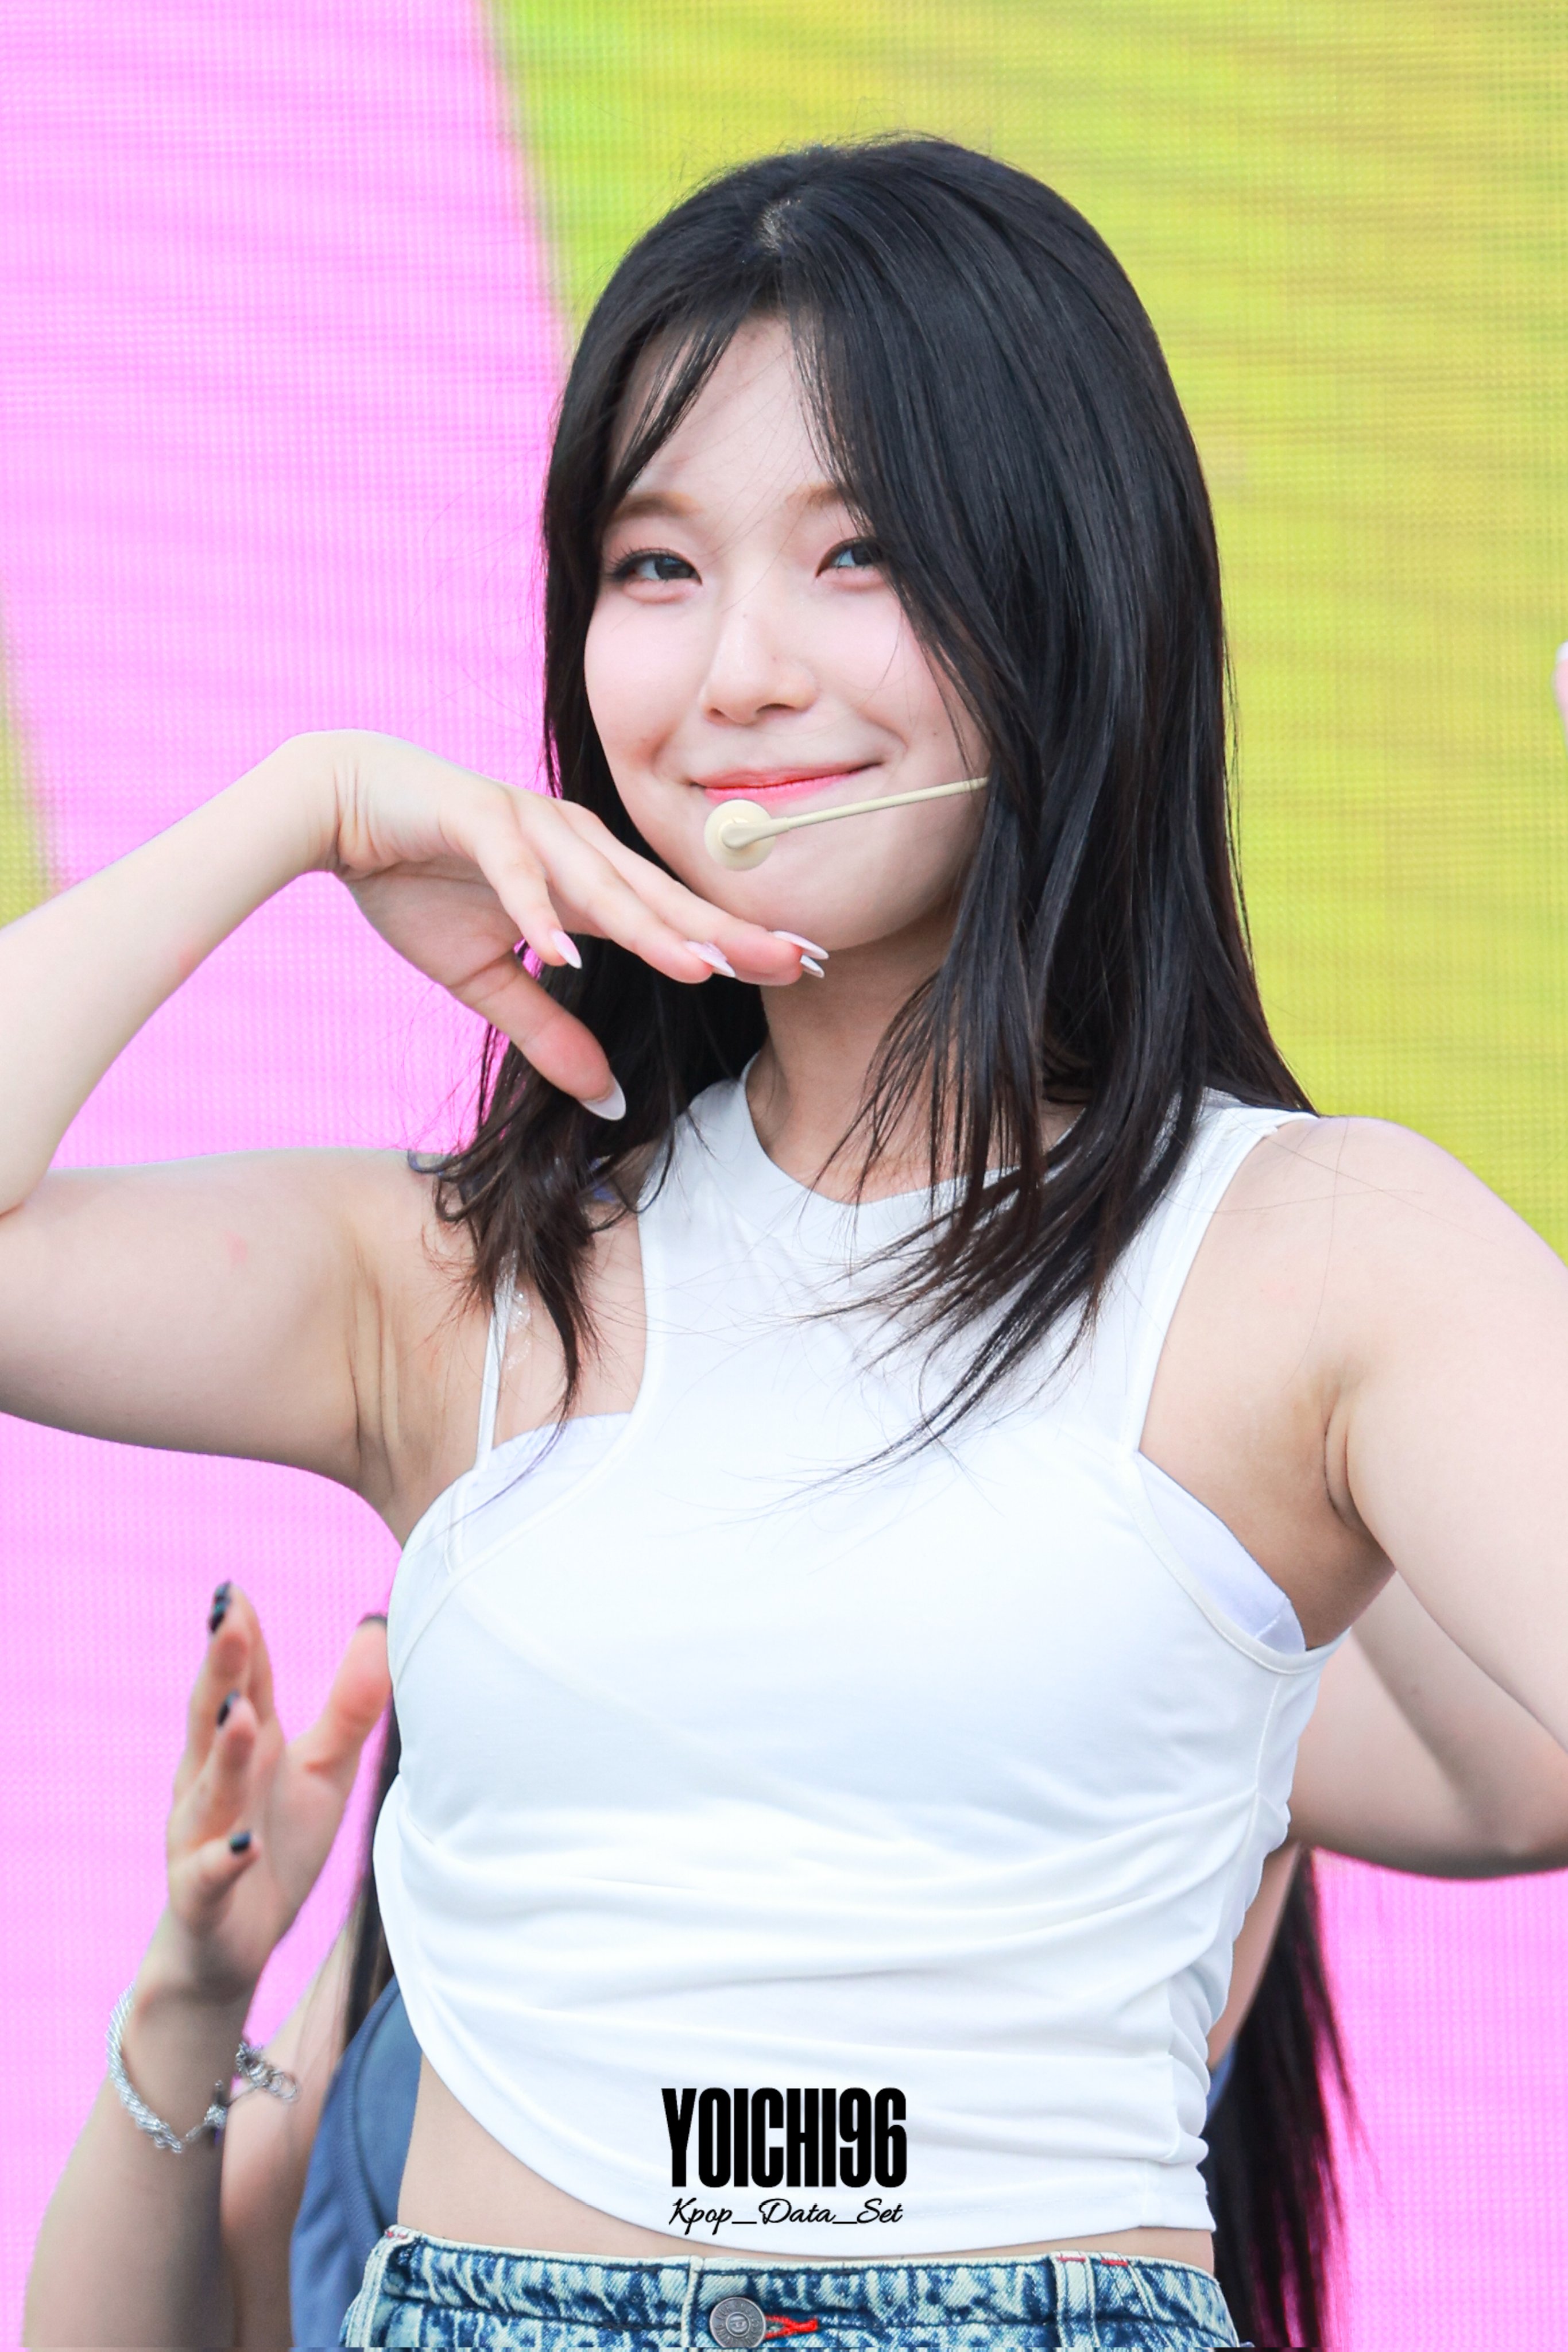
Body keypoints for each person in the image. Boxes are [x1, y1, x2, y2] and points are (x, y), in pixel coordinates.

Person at [6, 136, 1568, 2349]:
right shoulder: (454, 1285)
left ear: (1066, 593)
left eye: (860, 555)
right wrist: (303, 809)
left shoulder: (1314, 1254)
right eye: (653, 566)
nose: (738, 671)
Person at [26, 1566, 1568, 2349]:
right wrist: (196, 1986)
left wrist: (1298, 1353)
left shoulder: (1117, 1646)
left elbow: (1523, 1775)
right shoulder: (523, 1595)